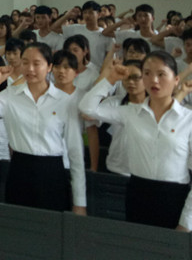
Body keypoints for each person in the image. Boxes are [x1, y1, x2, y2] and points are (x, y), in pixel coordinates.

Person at [79, 50, 192, 231]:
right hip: (139, 191)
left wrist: (186, 222)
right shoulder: (130, 112)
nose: (154, 80)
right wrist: (110, 79)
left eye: (161, 74)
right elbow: (87, 108)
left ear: (176, 80)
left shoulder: (188, 119)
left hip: (175, 196)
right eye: (147, 73)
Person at [0, 42, 86, 214]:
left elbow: (75, 152)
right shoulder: (11, 95)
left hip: (52, 172)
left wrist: (80, 202)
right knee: (18, 223)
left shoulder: (65, 101)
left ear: (49, 67)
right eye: (25, 62)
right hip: (19, 169)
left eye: (37, 63)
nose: (30, 69)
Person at [98, 59, 146, 176]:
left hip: (144, 172)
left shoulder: (155, 105)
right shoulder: (114, 103)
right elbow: (87, 112)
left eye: (136, 77)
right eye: (126, 78)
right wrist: (110, 79)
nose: (131, 82)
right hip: (116, 167)